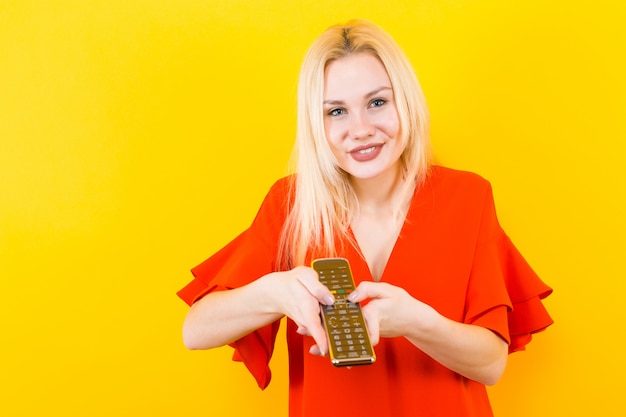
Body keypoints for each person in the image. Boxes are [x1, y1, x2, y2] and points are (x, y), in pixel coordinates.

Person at [177, 19, 553, 417]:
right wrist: (274, 293)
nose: (360, 130)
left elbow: (491, 363)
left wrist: (415, 321)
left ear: (404, 101)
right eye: (336, 111)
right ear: (315, 124)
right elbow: (196, 331)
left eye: (377, 102)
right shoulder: (292, 204)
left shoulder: (468, 197)